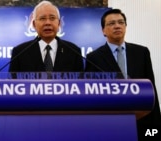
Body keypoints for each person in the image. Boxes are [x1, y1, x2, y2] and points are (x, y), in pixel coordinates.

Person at [85, 8, 161, 140]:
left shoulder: (141, 52)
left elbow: (151, 88)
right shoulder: (93, 57)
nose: (117, 26)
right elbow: (91, 93)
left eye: (121, 22)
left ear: (125, 26)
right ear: (103, 30)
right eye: (111, 23)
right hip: (110, 123)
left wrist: (155, 126)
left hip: (141, 121)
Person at [9, 1, 83, 75]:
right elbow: (12, 84)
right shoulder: (19, 53)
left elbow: (82, 84)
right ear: (34, 24)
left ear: (59, 23)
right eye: (42, 18)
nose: (48, 22)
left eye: (52, 18)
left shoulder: (74, 51)